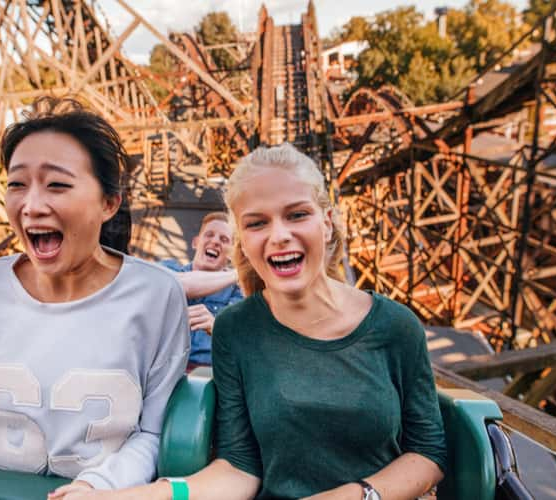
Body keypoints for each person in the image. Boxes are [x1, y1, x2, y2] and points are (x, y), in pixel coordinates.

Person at [108, 143, 447, 500]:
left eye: (297, 215)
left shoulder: (395, 326)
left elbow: (428, 452)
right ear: (244, 240)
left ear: (327, 224)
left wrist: (356, 495)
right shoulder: (235, 330)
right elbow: (240, 467)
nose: (279, 235)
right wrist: (145, 495)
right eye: (257, 223)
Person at [0, 97, 189, 500]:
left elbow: (154, 433)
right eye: (17, 184)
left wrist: (94, 488)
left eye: (57, 185)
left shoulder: (157, 295)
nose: (31, 206)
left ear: (109, 203)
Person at [160, 212, 243, 368]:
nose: (215, 241)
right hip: (161, 370)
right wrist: (240, 273)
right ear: (195, 242)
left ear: (232, 253)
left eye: (224, 239)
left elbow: (242, 345)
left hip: (206, 373)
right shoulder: (168, 268)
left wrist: (217, 328)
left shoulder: (237, 292)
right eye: (209, 235)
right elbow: (180, 284)